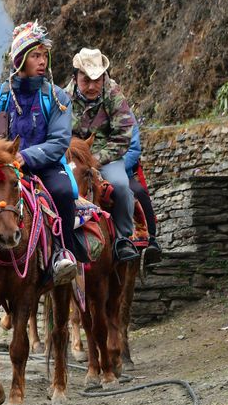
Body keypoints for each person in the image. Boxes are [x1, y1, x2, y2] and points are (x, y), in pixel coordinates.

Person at [0, 21, 80, 285]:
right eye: (35, 55)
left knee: (63, 192)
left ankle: (62, 252)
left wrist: (26, 157)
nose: (42, 61)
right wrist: (1, 158)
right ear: (20, 60)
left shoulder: (57, 99)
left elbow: (59, 139)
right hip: (2, 169)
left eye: (44, 55)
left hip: (44, 166)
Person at [64, 48, 140, 263]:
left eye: (97, 80)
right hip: (70, 156)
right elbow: (56, 134)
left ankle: (124, 238)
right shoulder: (62, 98)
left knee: (120, 185)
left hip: (106, 155)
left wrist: (96, 159)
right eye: (86, 79)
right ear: (75, 76)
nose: (91, 86)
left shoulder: (113, 94)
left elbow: (124, 134)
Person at [123, 122, 163, 265]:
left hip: (123, 171)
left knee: (139, 192)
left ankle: (151, 238)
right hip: (87, 169)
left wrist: (117, 167)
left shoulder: (126, 116)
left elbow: (133, 149)